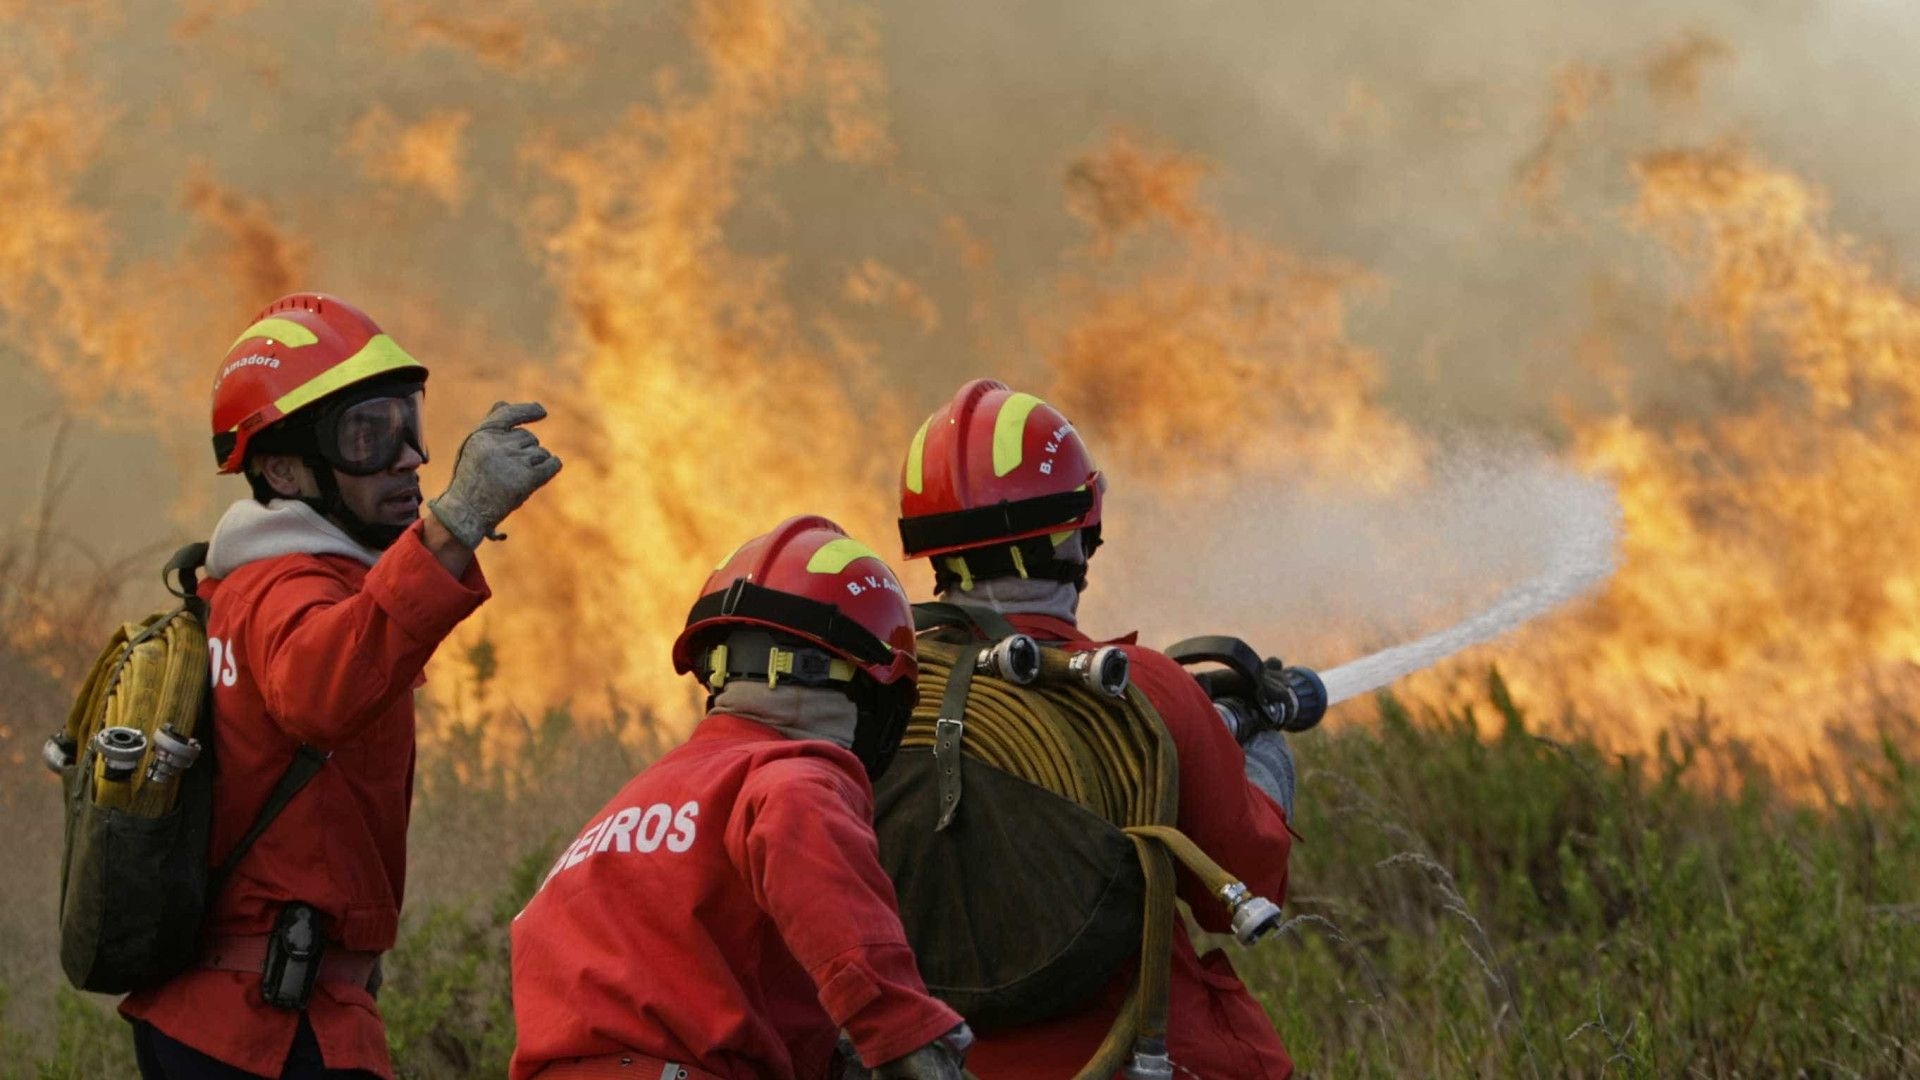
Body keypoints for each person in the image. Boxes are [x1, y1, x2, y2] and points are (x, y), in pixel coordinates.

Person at [120, 292, 563, 1079]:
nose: (408, 457)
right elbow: (324, 689)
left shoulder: (253, 588)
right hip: (269, 1032)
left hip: (237, 1020)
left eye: (406, 421)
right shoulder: (284, 587)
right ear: (285, 469)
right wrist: (454, 522)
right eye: (366, 434)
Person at [894, 378, 1298, 1079]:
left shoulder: (879, 701)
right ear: (1079, 532)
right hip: (1135, 1058)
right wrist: (1265, 753)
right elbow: (1241, 880)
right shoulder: (1147, 690)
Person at [509, 515, 971, 1080]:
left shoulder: (639, 803)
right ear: (876, 693)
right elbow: (834, 911)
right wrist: (905, 1035)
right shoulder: (792, 778)